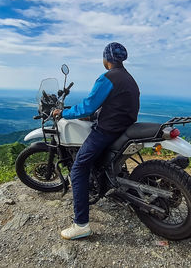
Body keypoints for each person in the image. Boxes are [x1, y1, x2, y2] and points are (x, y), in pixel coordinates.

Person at [52, 42, 140, 240]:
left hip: (109, 130)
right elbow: (116, 104)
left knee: (78, 168)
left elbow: (88, 106)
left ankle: (81, 224)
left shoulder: (107, 77)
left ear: (106, 59)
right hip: (124, 127)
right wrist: (94, 116)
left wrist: (65, 112)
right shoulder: (128, 78)